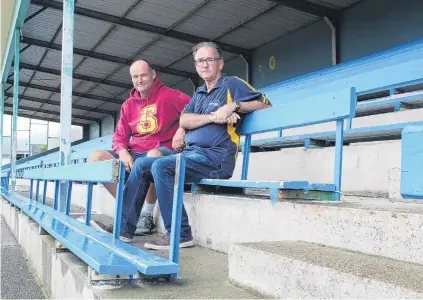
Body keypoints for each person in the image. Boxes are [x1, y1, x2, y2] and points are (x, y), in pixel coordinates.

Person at [94, 41, 270, 247]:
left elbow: (265, 104)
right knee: (142, 165)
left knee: (161, 164)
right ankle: (124, 229)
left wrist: (234, 105)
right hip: (193, 154)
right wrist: (214, 116)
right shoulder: (200, 93)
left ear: (220, 63)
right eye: (199, 61)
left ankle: (180, 234)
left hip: (216, 157)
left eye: (209, 60)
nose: (204, 65)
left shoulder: (232, 84)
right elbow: (185, 119)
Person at [88, 60, 191, 239]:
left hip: (162, 150)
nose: (139, 80)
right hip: (134, 152)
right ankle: (128, 210)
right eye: (135, 76)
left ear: (153, 74)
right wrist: (123, 151)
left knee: (152, 157)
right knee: (95, 158)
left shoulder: (170, 95)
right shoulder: (128, 104)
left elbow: (194, 109)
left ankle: (146, 215)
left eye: (143, 75)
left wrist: (182, 129)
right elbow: (119, 136)